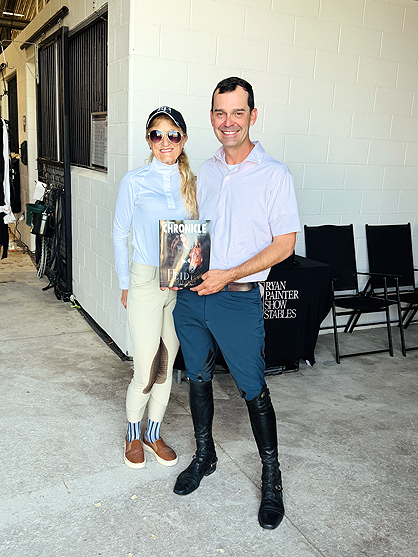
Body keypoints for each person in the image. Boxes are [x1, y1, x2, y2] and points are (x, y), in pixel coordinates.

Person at [172, 77, 300, 529]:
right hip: (193, 298)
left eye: (238, 112)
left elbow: (285, 245)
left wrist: (228, 274)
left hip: (238, 300)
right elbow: (194, 231)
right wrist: (176, 270)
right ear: (211, 117)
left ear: (253, 115)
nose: (228, 122)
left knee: (252, 389)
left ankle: (272, 478)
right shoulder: (204, 171)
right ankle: (204, 456)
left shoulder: (275, 174)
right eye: (220, 113)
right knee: (197, 378)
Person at [113, 106, 198, 469]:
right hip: (145, 278)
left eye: (173, 134)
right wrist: (124, 282)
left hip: (179, 279)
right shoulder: (134, 180)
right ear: (148, 140)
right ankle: (132, 435)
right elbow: (120, 233)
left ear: (183, 139)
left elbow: (195, 235)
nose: (165, 141)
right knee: (145, 365)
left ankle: (152, 433)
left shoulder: (191, 182)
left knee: (167, 361)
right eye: (156, 134)